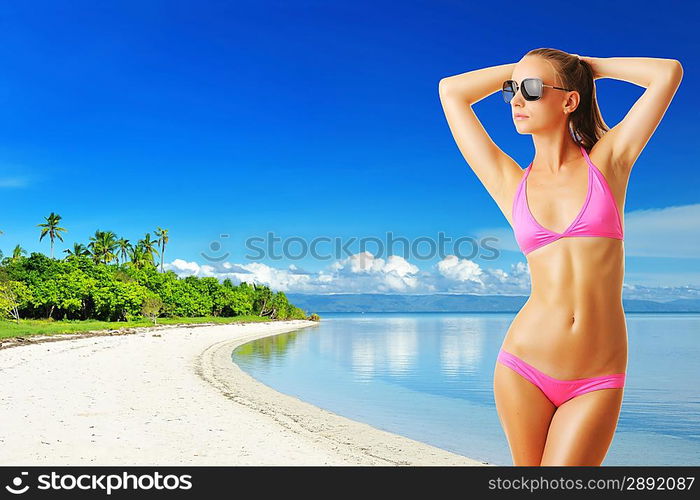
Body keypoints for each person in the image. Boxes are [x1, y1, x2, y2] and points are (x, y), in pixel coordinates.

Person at [438, 48, 683, 465]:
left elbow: (667, 74)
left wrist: (585, 66)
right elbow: (451, 91)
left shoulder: (607, 163)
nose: (516, 99)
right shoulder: (509, 182)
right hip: (524, 366)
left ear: (570, 100)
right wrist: (526, 70)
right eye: (513, 90)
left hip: (596, 376)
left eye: (531, 90)